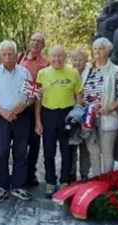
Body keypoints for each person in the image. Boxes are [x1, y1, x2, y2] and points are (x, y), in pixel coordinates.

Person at [0, 40, 35, 202]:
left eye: (10, 54)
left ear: (16, 55)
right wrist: (4, 112)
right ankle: (2, 186)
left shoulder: (25, 73)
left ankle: (18, 186)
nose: (7, 57)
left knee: (21, 151)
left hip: (22, 117)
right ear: (0, 55)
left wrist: (26, 104)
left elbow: (33, 97)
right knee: (1, 151)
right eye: (4, 54)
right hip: (1, 117)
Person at [35, 45, 83, 198]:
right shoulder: (42, 73)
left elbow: (79, 96)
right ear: (49, 57)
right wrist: (38, 120)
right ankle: (50, 181)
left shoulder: (74, 73)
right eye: (54, 56)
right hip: (47, 115)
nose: (57, 59)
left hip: (67, 114)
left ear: (65, 57)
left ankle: (64, 181)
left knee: (67, 151)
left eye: (60, 56)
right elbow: (37, 98)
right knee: (48, 151)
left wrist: (78, 115)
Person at [82, 38, 118, 177]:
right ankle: (96, 181)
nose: (97, 51)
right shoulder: (87, 70)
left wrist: (110, 108)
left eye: (100, 49)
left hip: (107, 117)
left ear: (108, 51)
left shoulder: (116, 71)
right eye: (95, 48)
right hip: (88, 118)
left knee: (107, 153)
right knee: (93, 151)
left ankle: (106, 184)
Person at [18, 33, 50, 187]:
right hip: (19, 105)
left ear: (43, 46)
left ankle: (31, 173)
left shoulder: (46, 63)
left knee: (35, 141)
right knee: (19, 141)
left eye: (39, 41)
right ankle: (20, 173)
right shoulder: (19, 59)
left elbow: (44, 88)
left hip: (37, 106)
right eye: (33, 40)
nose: (35, 43)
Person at [69, 47, 91, 180]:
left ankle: (84, 174)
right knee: (71, 145)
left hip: (87, 113)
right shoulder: (68, 73)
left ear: (85, 60)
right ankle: (71, 174)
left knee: (85, 146)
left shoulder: (91, 73)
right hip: (71, 114)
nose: (77, 62)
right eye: (75, 59)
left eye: (80, 59)